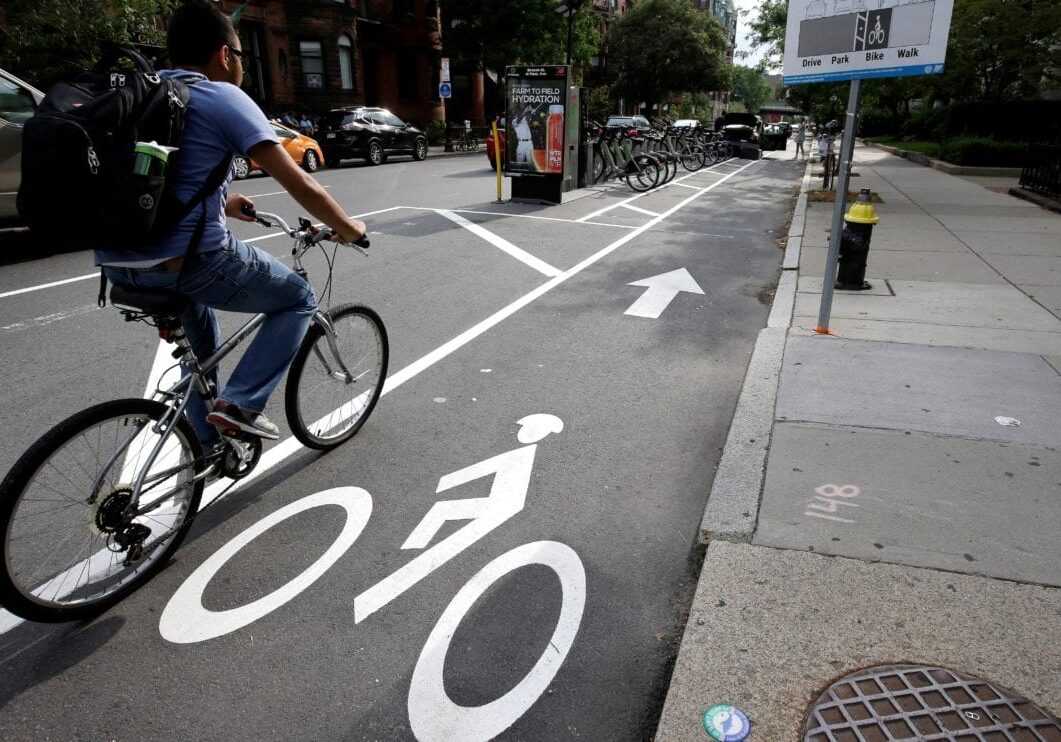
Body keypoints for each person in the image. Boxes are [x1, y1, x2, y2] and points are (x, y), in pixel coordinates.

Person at [96, 0, 366, 446]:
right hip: (190, 263)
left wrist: (221, 202)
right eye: (239, 56)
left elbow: (152, 181)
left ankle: (204, 450)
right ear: (225, 55)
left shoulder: (142, 94)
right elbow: (300, 183)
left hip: (117, 265)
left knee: (201, 351)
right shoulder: (220, 96)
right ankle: (239, 405)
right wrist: (350, 227)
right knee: (297, 298)